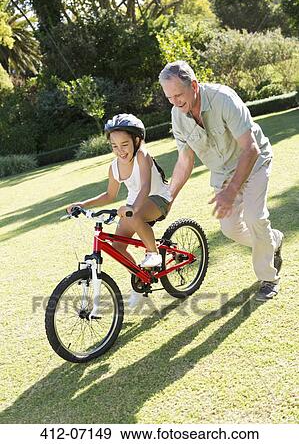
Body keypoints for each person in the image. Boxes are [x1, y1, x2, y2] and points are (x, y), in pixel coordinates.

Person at [159, 60, 283, 302]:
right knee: (230, 229)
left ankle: (268, 277)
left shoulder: (223, 98)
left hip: (254, 163)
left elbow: (251, 149)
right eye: (169, 97)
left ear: (193, 85)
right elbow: (185, 160)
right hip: (222, 173)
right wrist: (168, 197)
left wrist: (231, 191)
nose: (175, 102)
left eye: (178, 94)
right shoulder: (178, 115)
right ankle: (273, 240)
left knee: (255, 217)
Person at [67, 113, 172, 306]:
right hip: (133, 206)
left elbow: (146, 186)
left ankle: (153, 253)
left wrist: (133, 208)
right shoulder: (114, 167)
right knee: (118, 247)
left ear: (137, 140)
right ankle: (141, 280)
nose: (120, 151)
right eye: (114, 146)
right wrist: (83, 204)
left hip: (158, 199)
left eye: (124, 144)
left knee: (135, 215)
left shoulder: (142, 155)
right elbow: (109, 195)